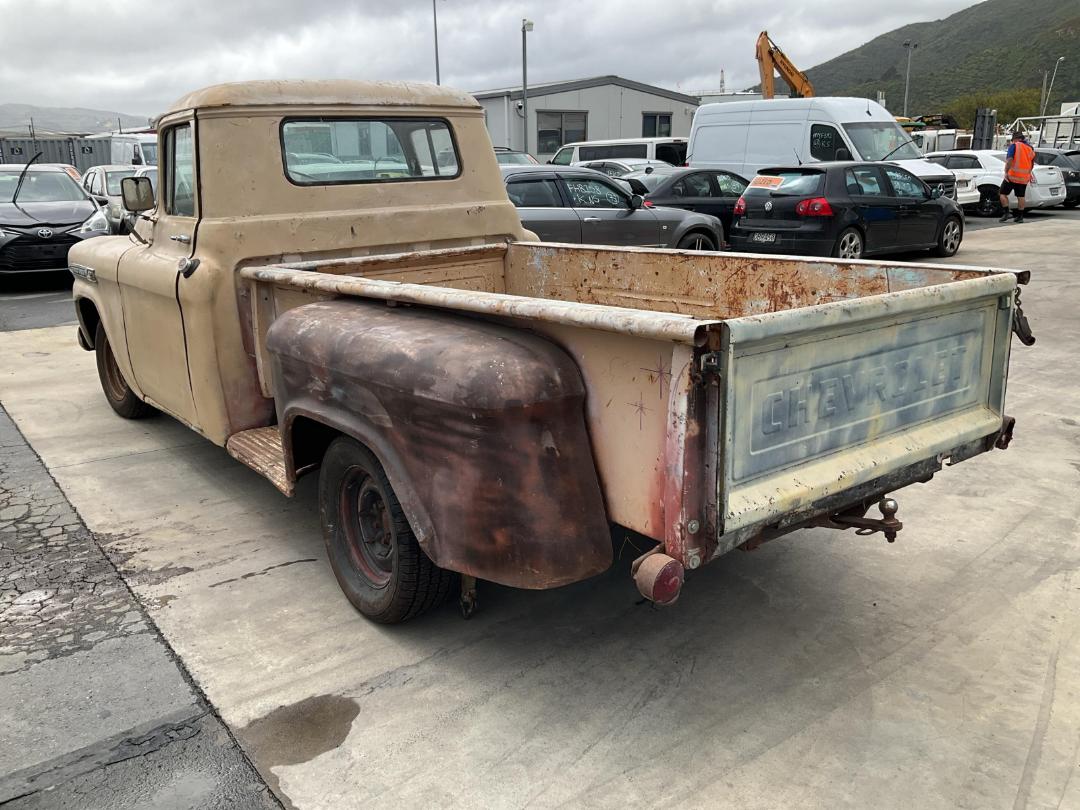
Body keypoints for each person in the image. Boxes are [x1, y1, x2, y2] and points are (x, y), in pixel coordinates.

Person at [999, 131, 1036, 223]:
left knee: (1002, 193)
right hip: (1023, 177)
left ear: (1016, 139)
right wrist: (1028, 173)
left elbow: (1009, 159)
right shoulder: (1030, 148)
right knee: (1021, 196)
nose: (1012, 142)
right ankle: (1020, 216)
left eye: (1013, 140)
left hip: (1012, 176)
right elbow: (1032, 163)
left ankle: (1006, 213)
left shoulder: (1015, 146)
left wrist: (1006, 171)